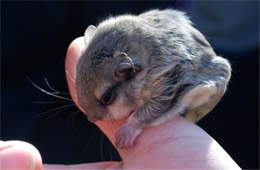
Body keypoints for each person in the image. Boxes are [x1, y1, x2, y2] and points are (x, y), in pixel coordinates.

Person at [0, 37, 241, 170]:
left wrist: (135, 124)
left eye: (105, 99)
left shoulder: (155, 74)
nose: (91, 117)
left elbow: (168, 93)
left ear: (129, 72)